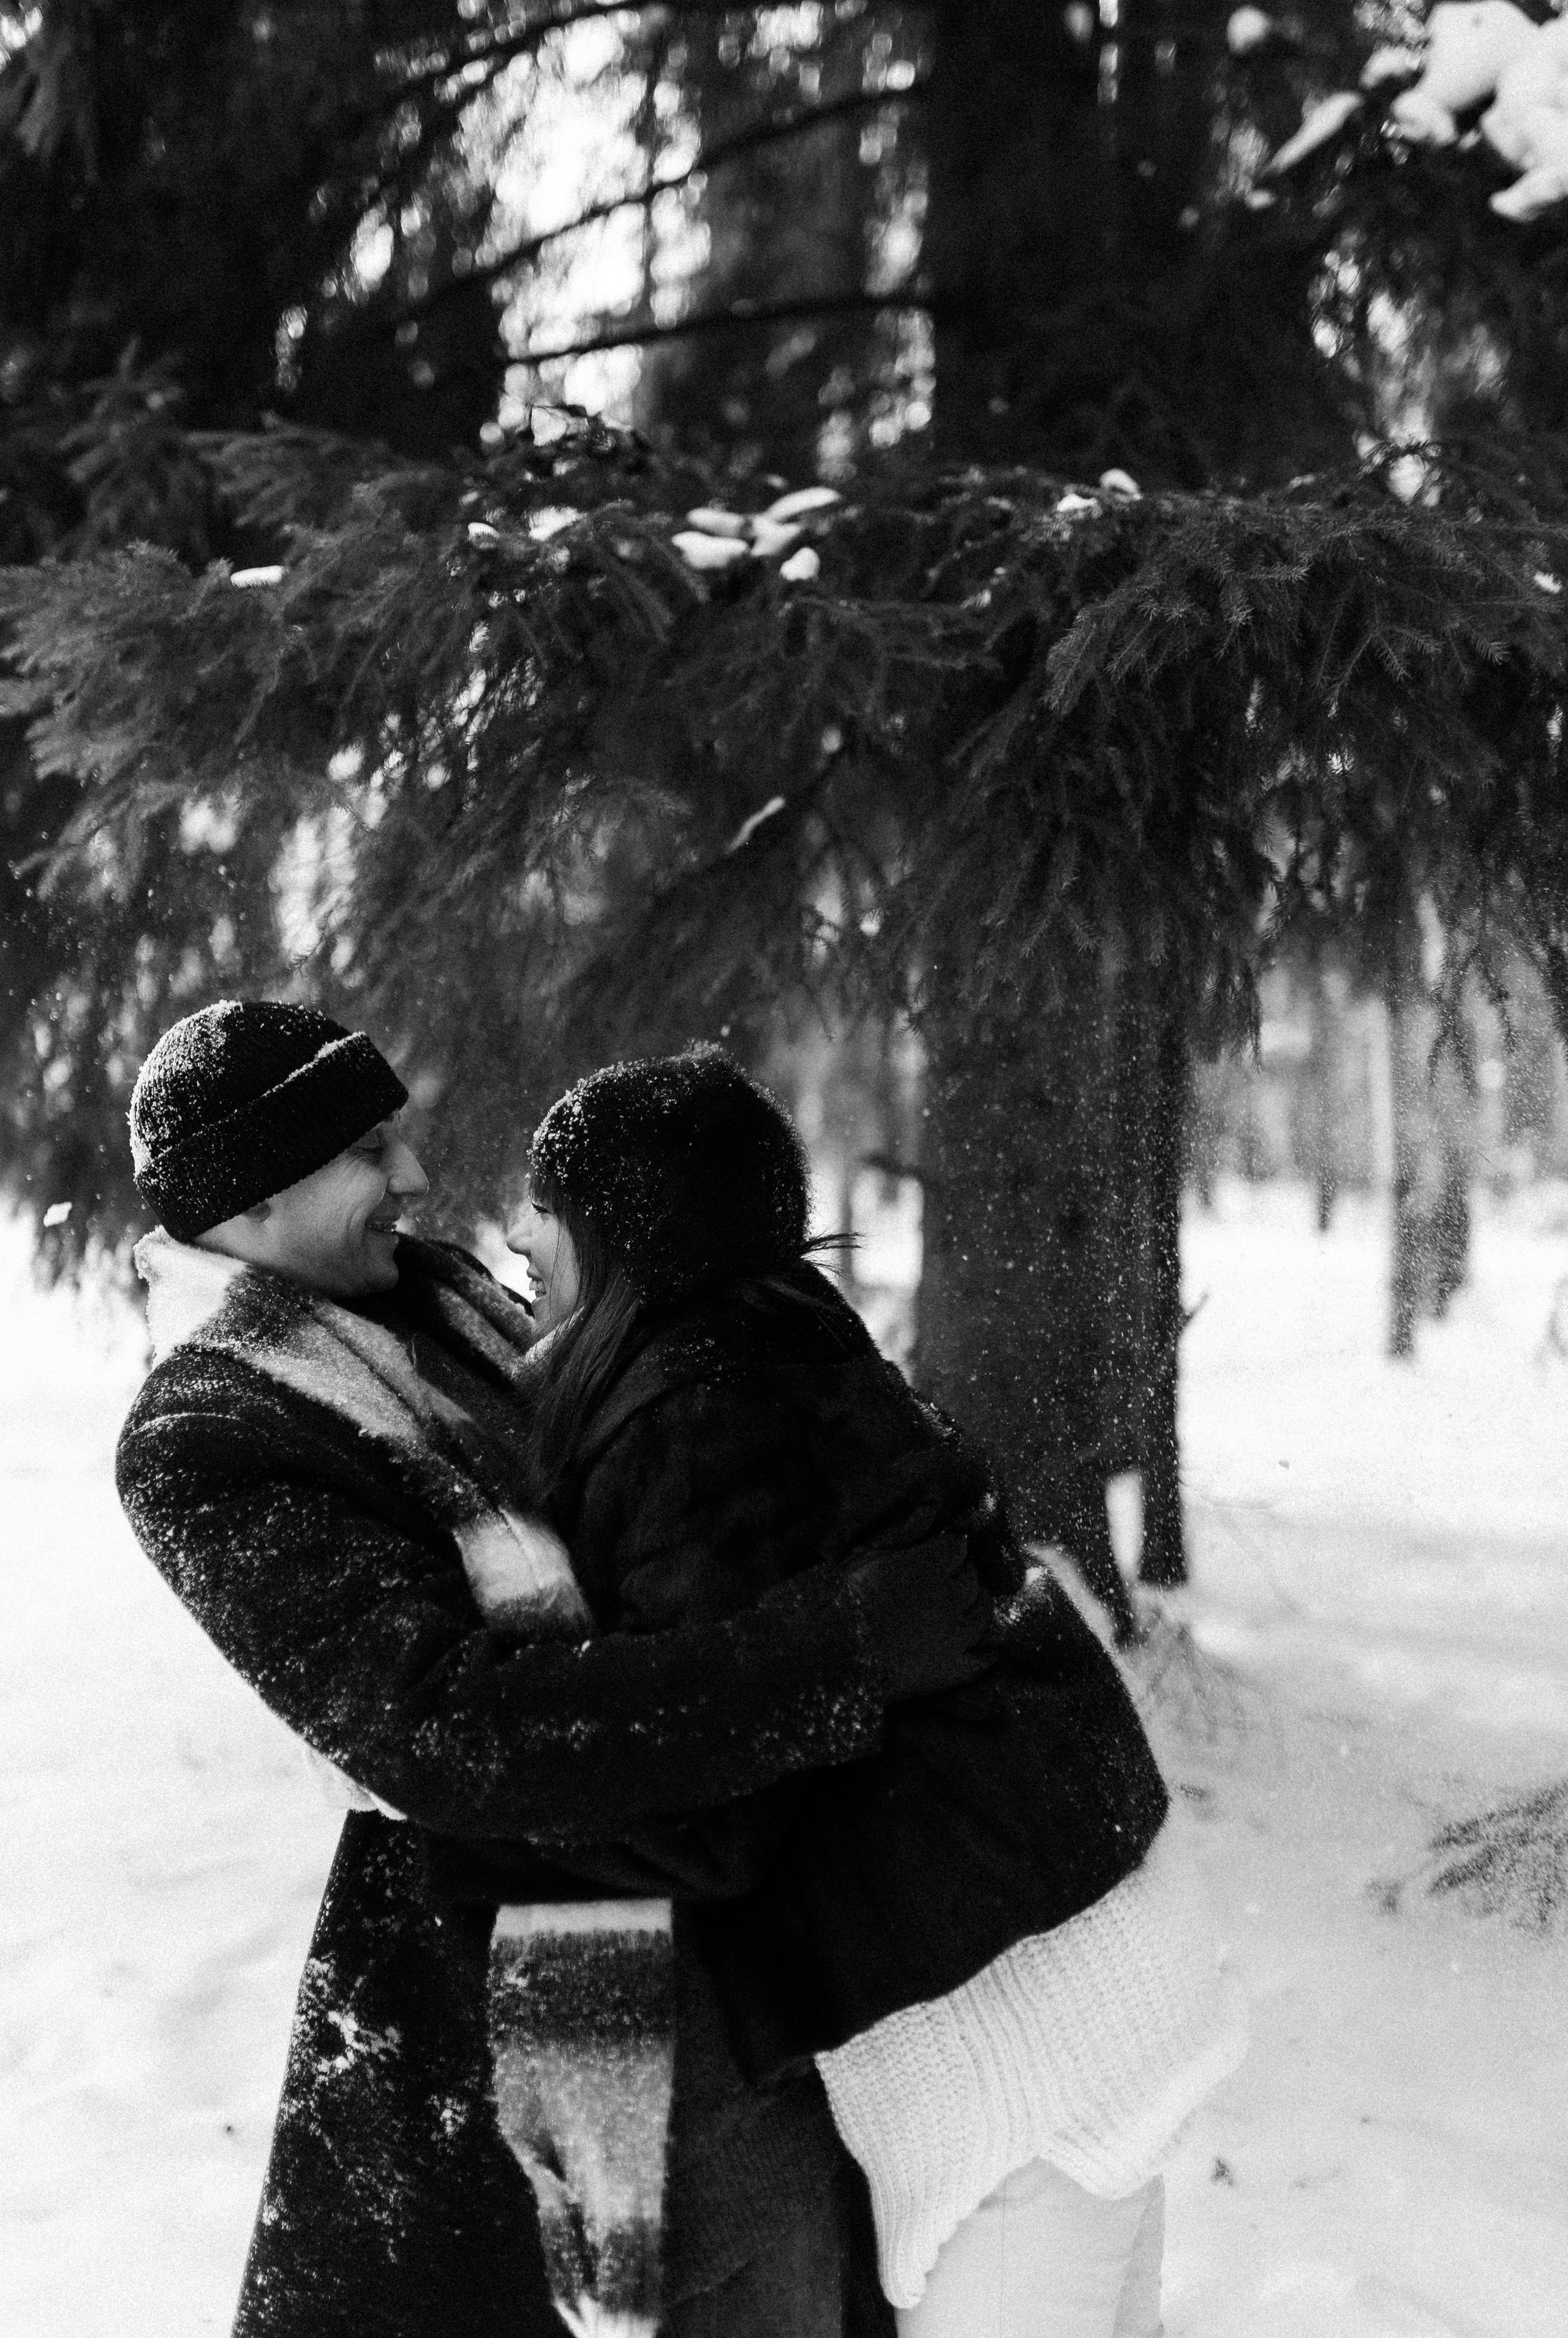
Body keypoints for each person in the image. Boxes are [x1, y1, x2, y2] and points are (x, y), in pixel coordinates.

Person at [114, 1000, 993, 2338]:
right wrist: (838, 1653)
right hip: (525, 1986)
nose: (413, 1180)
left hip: (742, 1929)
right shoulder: (209, 1434)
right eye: (367, 1152)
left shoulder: (447, 1294)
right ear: (251, 1195)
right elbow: (445, 1730)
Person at [462, 1047, 1248, 2338]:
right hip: (1088, 1949)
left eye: (543, 1200)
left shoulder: (693, 1416)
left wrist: (495, 1768)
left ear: (620, 1226)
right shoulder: (776, 1339)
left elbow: (718, 1787)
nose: (517, 1232)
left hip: (1017, 2037)